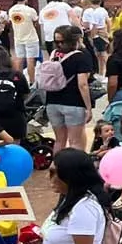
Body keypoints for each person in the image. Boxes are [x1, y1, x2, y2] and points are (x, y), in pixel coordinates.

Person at [45, 25, 94, 153]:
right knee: (75, 142)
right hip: (73, 103)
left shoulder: (53, 54)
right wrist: (88, 107)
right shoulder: (81, 56)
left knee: (60, 141)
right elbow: (82, 84)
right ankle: (74, 171)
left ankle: (56, 170)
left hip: (52, 102)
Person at [8, 0, 40, 81]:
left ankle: (19, 80)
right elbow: (36, 21)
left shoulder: (11, 10)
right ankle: (32, 81)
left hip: (18, 38)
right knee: (30, 60)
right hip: (31, 38)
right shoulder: (29, 10)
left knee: (19, 59)